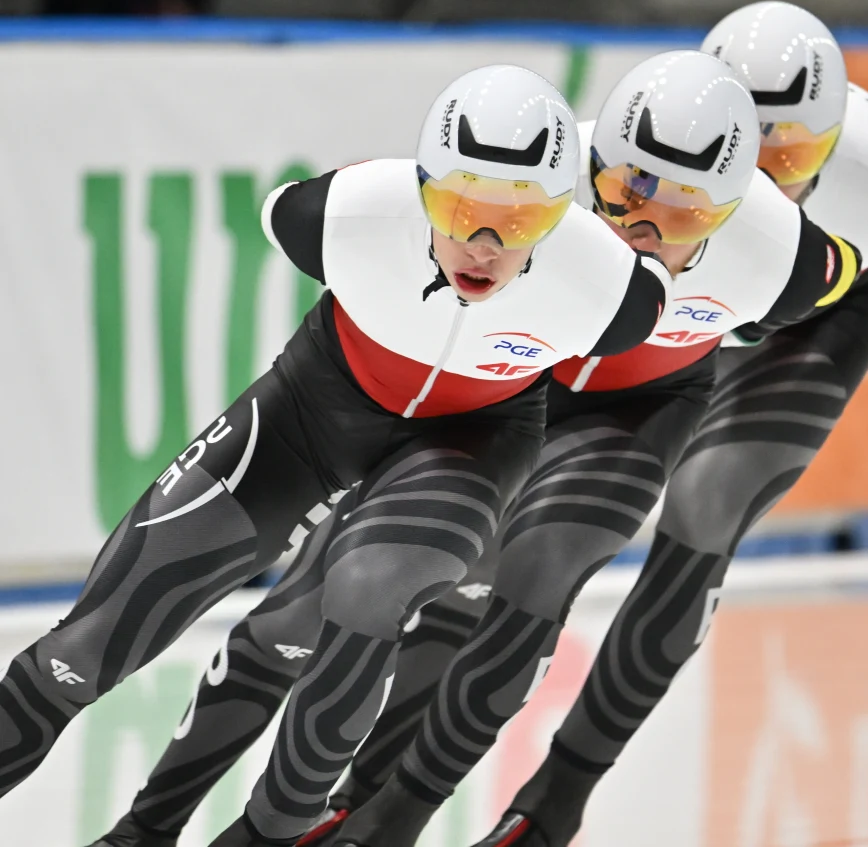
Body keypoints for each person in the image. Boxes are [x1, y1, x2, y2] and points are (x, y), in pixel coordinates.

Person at [85, 49, 864, 847]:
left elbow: (853, 269)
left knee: (538, 570)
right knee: (304, 608)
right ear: (587, 166)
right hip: (509, 400)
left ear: (736, 210)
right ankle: (150, 826)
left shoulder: (782, 251)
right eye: (627, 192)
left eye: (687, 215)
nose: (645, 227)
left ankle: (388, 821)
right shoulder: (532, 184)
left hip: (635, 410)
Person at [300, 2, 868, 847]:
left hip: (809, 320)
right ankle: (380, 795)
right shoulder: (617, 164)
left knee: (709, 503)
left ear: (834, 146)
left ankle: (559, 792)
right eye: (747, 154)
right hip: (669, 322)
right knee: (501, 517)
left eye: (790, 156)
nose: (765, 179)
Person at [0, 65, 673, 847]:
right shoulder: (340, 211)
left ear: (561, 219)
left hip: (467, 441)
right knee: (85, 648)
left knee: (366, 587)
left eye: (520, 223)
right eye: (460, 209)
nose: (485, 246)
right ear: (421, 189)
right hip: (309, 412)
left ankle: (269, 835)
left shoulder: (614, 292)